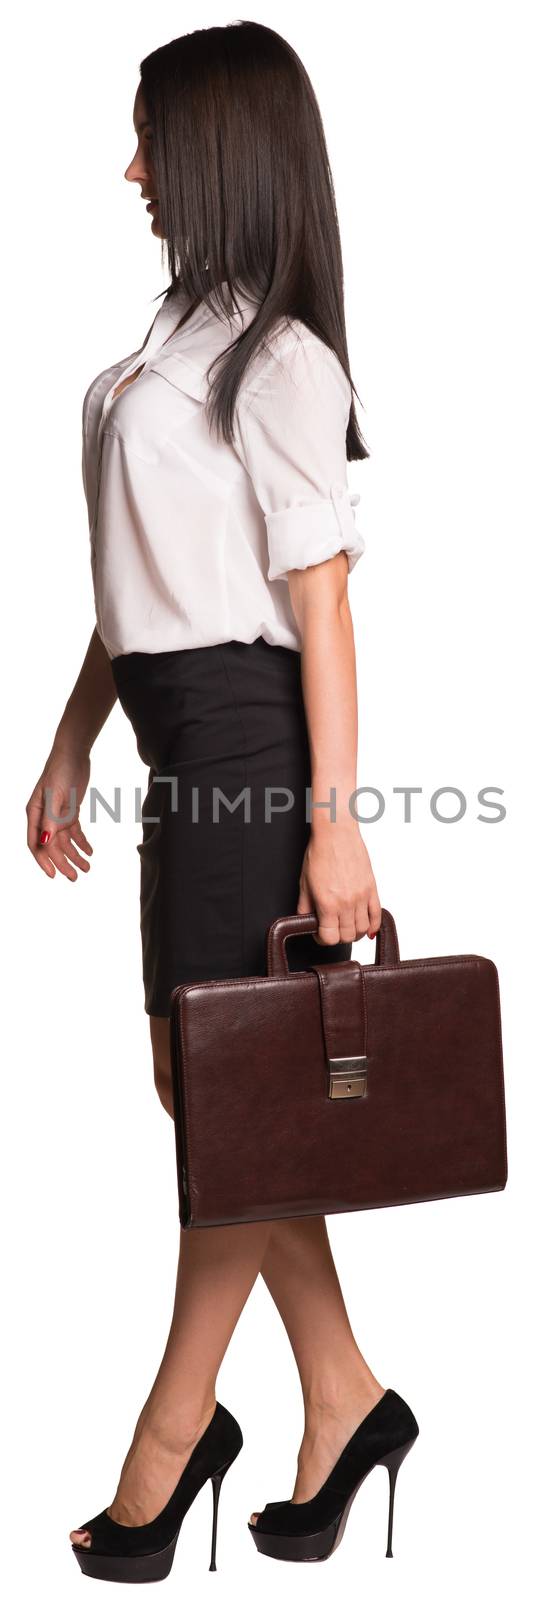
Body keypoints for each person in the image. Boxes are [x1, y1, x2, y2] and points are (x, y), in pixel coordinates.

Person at [26, 20, 419, 1582]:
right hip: (182, 757)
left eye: (150, 142)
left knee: (228, 1113)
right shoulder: (170, 345)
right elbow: (140, 598)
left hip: (256, 763)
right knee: (220, 1099)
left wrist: (337, 821)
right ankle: (347, 1400)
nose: (131, 171)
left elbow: (316, 608)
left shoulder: (283, 359)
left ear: (217, 151)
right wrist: (70, 743)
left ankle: (168, 1442)